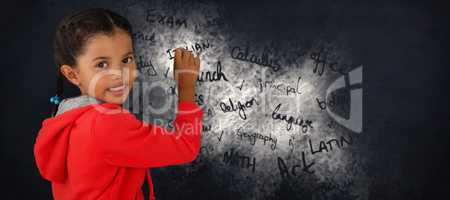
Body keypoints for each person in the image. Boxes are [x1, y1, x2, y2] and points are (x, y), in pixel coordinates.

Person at [33, 8, 203, 200]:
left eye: (126, 59)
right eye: (102, 64)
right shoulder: (108, 124)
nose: (119, 73)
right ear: (72, 74)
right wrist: (187, 87)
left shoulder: (66, 116)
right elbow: (185, 147)